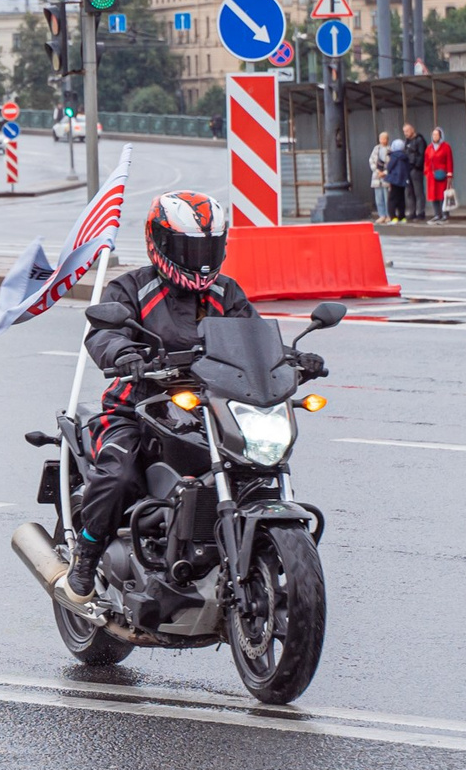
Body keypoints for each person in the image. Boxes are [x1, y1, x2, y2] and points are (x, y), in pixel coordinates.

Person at [59, 193, 323, 607]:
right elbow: (103, 332)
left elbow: (252, 338)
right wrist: (124, 353)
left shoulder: (225, 292)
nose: (199, 258)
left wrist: (291, 358)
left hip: (211, 408)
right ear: (159, 243)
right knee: (120, 475)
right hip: (138, 408)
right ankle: (87, 558)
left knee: (253, 461)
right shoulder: (130, 287)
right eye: (188, 248)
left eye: (208, 247)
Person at [424, 127, 456, 223]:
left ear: (441, 136)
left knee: (443, 195)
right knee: (433, 196)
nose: (435, 136)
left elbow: (449, 161)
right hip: (432, 176)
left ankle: (445, 214)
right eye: (433, 134)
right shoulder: (429, 148)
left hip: (442, 175)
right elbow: (426, 161)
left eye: (437, 134)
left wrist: (449, 174)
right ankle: (437, 214)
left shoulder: (446, 147)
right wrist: (427, 173)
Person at [384, 136, 413, 224]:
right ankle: (402, 217)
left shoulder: (394, 156)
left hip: (394, 179)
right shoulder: (405, 156)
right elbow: (408, 167)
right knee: (401, 198)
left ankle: (393, 217)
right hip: (403, 180)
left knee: (392, 199)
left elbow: (389, 167)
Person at [367, 130, 390, 219]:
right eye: (381, 138)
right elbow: (371, 160)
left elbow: (391, 164)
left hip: (386, 177)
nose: (382, 140)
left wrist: (384, 172)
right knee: (379, 198)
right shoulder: (376, 149)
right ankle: (382, 215)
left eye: (384, 138)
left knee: (387, 197)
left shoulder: (390, 149)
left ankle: (388, 215)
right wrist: (377, 171)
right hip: (376, 177)